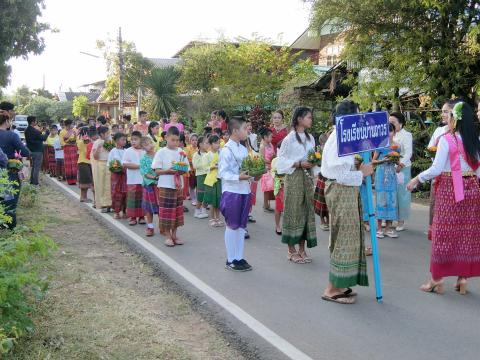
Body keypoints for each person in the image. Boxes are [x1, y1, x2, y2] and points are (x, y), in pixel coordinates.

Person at [407, 102, 480, 295]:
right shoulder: (475, 139)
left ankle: (436, 280)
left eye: (449, 115)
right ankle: (463, 278)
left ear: (455, 118)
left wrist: (416, 178)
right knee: (466, 234)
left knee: (443, 235)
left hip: (451, 190)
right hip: (473, 190)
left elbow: (437, 169)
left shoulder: (447, 139)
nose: (446, 118)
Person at [320, 100, 374, 304]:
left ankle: (340, 283)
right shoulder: (338, 138)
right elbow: (339, 174)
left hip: (346, 190)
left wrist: (357, 167)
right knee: (343, 235)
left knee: (350, 234)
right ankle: (332, 288)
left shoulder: (343, 136)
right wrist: (361, 173)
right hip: (340, 189)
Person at [276, 107, 317, 265]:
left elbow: (313, 156)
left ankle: (302, 249)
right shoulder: (289, 139)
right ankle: (291, 250)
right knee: (293, 211)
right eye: (308, 117)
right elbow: (280, 162)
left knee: (306, 211)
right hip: (294, 177)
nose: (310, 120)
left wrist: (314, 164)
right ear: (299, 119)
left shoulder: (311, 138)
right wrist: (299, 163)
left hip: (307, 177)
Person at [218, 116, 253, 271]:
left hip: (244, 190)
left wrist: (253, 174)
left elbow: (246, 169)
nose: (247, 131)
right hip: (232, 192)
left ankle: (239, 257)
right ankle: (230, 259)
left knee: (241, 226)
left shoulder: (244, 148)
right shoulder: (226, 150)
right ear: (235, 130)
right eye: (244, 128)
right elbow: (222, 173)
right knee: (232, 226)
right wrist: (239, 177)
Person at [427, 99, 457, 240]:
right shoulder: (439, 131)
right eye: (442, 112)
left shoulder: (460, 133)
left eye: (446, 111)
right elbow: (430, 148)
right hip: (437, 173)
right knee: (435, 204)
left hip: (456, 176)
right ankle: (436, 233)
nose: (443, 115)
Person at [152, 126, 187, 246]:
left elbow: (186, 168)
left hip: (178, 185)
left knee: (177, 211)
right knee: (167, 211)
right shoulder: (161, 152)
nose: (176, 143)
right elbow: (157, 171)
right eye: (173, 140)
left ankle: (174, 235)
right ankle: (167, 235)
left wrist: (181, 170)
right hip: (166, 185)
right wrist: (168, 171)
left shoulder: (181, 152)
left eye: (177, 140)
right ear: (166, 137)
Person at [0, 113, 30, 229]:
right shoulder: (11, 136)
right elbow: (25, 152)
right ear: (7, 121)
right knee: (9, 200)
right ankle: (9, 229)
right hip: (9, 172)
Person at [372, 123, 399, 238]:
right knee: (381, 200)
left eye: (391, 131)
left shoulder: (397, 146)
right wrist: (383, 160)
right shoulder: (380, 145)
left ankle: (388, 229)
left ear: (394, 132)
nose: (389, 134)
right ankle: (379, 229)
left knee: (391, 200)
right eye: (386, 131)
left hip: (391, 175)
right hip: (381, 174)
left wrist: (397, 161)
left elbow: (397, 161)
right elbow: (373, 161)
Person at [390, 112, 413, 231]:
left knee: (402, 194)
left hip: (402, 168)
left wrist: (401, 164)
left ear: (401, 123)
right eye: (389, 122)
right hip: (390, 167)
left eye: (393, 122)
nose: (391, 124)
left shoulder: (406, 135)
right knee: (391, 193)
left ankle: (401, 220)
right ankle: (391, 218)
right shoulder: (390, 135)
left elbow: (408, 152)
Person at [122, 131, 146, 225]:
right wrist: (139, 166)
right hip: (132, 180)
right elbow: (125, 163)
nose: (133, 141)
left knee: (142, 199)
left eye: (135, 139)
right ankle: (132, 217)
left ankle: (141, 217)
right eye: (131, 139)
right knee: (132, 199)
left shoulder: (145, 151)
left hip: (143, 180)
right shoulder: (128, 151)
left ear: (141, 140)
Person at [313, 128, 333, 231]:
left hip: (329, 177)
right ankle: (322, 221)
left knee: (327, 201)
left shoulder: (331, 148)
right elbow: (316, 162)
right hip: (322, 176)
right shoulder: (319, 150)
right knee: (321, 200)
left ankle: (328, 221)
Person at [140, 136, 159, 237]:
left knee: (161, 206)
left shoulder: (158, 155)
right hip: (149, 185)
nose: (149, 146)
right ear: (143, 148)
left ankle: (163, 227)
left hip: (160, 185)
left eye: (150, 142)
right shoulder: (143, 159)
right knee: (149, 208)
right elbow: (144, 173)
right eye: (146, 145)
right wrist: (154, 177)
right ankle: (150, 227)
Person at [204, 135, 223, 227]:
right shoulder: (207, 155)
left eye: (219, 143)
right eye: (216, 143)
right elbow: (205, 168)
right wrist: (213, 166)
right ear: (211, 144)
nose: (218, 145)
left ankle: (218, 218)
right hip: (211, 181)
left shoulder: (221, 153)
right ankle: (212, 218)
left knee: (218, 200)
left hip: (219, 179)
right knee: (212, 201)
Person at [92, 126, 112, 213]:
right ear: (101, 134)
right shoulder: (97, 142)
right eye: (107, 133)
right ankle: (103, 204)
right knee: (102, 185)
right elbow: (95, 157)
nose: (108, 135)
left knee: (109, 185)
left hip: (109, 164)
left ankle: (110, 204)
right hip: (101, 164)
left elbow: (112, 151)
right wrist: (99, 147)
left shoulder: (110, 141)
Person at [24, 115, 49, 185]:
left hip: (31, 150)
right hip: (37, 151)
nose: (36, 122)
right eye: (35, 121)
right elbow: (43, 138)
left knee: (34, 167)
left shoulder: (27, 130)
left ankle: (32, 181)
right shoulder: (34, 131)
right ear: (32, 122)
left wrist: (40, 132)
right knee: (36, 168)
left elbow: (37, 136)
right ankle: (35, 183)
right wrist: (47, 133)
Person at [108, 133, 127, 219]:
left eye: (125, 140)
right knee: (116, 193)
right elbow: (109, 164)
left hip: (125, 175)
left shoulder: (127, 151)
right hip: (116, 175)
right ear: (116, 141)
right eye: (122, 139)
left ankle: (124, 211)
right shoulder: (113, 151)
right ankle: (116, 212)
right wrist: (115, 167)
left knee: (126, 193)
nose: (124, 141)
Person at [192, 136, 210, 219]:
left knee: (207, 194)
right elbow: (195, 166)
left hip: (208, 176)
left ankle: (203, 210)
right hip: (200, 176)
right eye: (206, 143)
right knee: (200, 194)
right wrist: (205, 163)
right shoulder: (196, 154)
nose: (208, 144)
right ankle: (197, 211)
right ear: (200, 144)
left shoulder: (208, 154)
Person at [259, 128, 275, 212]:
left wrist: (274, 158)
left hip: (272, 168)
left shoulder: (270, 144)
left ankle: (268, 205)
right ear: (265, 137)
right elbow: (261, 159)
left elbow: (273, 154)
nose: (271, 138)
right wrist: (270, 161)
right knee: (266, 188)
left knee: (271, 187)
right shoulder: (262, 146)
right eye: (270, 137)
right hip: (265, 169)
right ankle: (265, 206)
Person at [76, 127, 94, 202]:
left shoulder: (84, 140)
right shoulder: (82, 141)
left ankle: (83, 197)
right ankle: (83, 197)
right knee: (84, 180)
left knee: (86, 180)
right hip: (83, 162)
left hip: (88, 162)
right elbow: (84, 142)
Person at [271, 141, 284, 235]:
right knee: (278, 207)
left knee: (289, 208)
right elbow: (273, 173)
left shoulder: (290, 159)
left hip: (290, 186)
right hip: (280, 186)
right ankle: (277, 225)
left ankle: (287, 226)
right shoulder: (275, 160)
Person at [60, 119, 78, 185]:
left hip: (74, 149)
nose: (73, 125)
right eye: (72, 124)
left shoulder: (74, 130)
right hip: (67, 149)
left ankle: (74, 180)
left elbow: (77, 139)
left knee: (74, 164)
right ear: (68, 125)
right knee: (68, 164)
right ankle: (69, 180)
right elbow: (62, 142)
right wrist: (68, 143)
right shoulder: (62, 132)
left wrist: (75, 143)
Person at [185, 133, 198, 206]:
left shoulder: (199, 148)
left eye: (196, 140)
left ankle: (199, 199)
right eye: (193, 140)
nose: (194, 141)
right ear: (190, 141)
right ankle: (193, 199)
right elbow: (187, 160)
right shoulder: (188, 148)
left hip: (199, 171)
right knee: (192, 186)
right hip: (192, 170)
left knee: (198, 186)